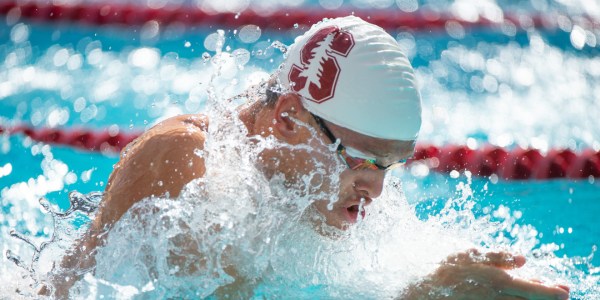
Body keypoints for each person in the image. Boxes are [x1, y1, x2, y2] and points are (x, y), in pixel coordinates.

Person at [49, 16, 569, 299]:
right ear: (289, 119)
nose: (376, 189)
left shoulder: (316, 182)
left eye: (389, 165)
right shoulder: (188, 161)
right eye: (363, 159)